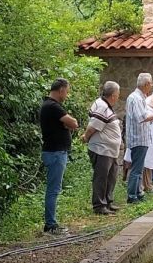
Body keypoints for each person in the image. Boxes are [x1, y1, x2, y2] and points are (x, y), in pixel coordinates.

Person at [39, 78, 79, 234]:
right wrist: (68, 123)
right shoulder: (53, 106)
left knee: (54, 188)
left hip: (55, 151)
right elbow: (74, 123)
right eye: (67, 91)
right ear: (61, 90)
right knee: (53, 189)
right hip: (55, 152)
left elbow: (70, 123)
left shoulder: (49, 106)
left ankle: (51, 222)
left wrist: (66, 123)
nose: (67, 95)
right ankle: (50, 224)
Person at [81, 81, 122, 215]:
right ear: (113, 95)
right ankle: (99, 205)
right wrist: (85, 137)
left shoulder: (105, 105)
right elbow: (92, 127)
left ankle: (108, 201)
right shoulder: (102, 107)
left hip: (109, 150)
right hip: (102, 149)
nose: (118, 97)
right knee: (101, 178)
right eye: (118, 94)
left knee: (111, 177)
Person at [125, 73, 153, 203]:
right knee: (136, 169)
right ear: (146, 84)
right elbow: (141, 117)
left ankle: (138, 192)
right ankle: (132, 195)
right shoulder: (135, 98)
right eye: (151, 83)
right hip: (138, 138)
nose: (152, 85)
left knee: (139, 168)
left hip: (142, 138)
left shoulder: (141, 97)